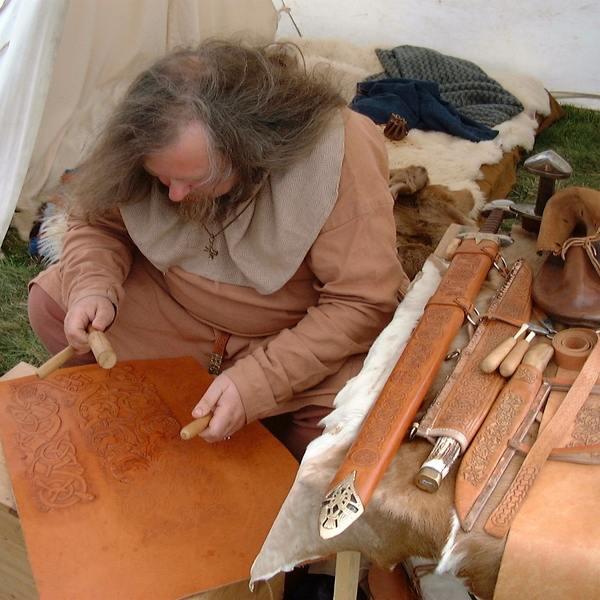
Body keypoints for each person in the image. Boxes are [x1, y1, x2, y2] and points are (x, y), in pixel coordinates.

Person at [28, 39, 409, 462]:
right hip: (176, 315)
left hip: (286, 331)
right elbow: (98, 223)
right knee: (52, 304)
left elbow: (363, 301)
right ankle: (187, 408)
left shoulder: (341, 149)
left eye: (194, 179)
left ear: (250, 147)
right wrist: (93, 286)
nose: (174, 196)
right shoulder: (151, 137)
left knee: (336, 427)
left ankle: (257, 426)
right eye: (162, 178)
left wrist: (259, 382)